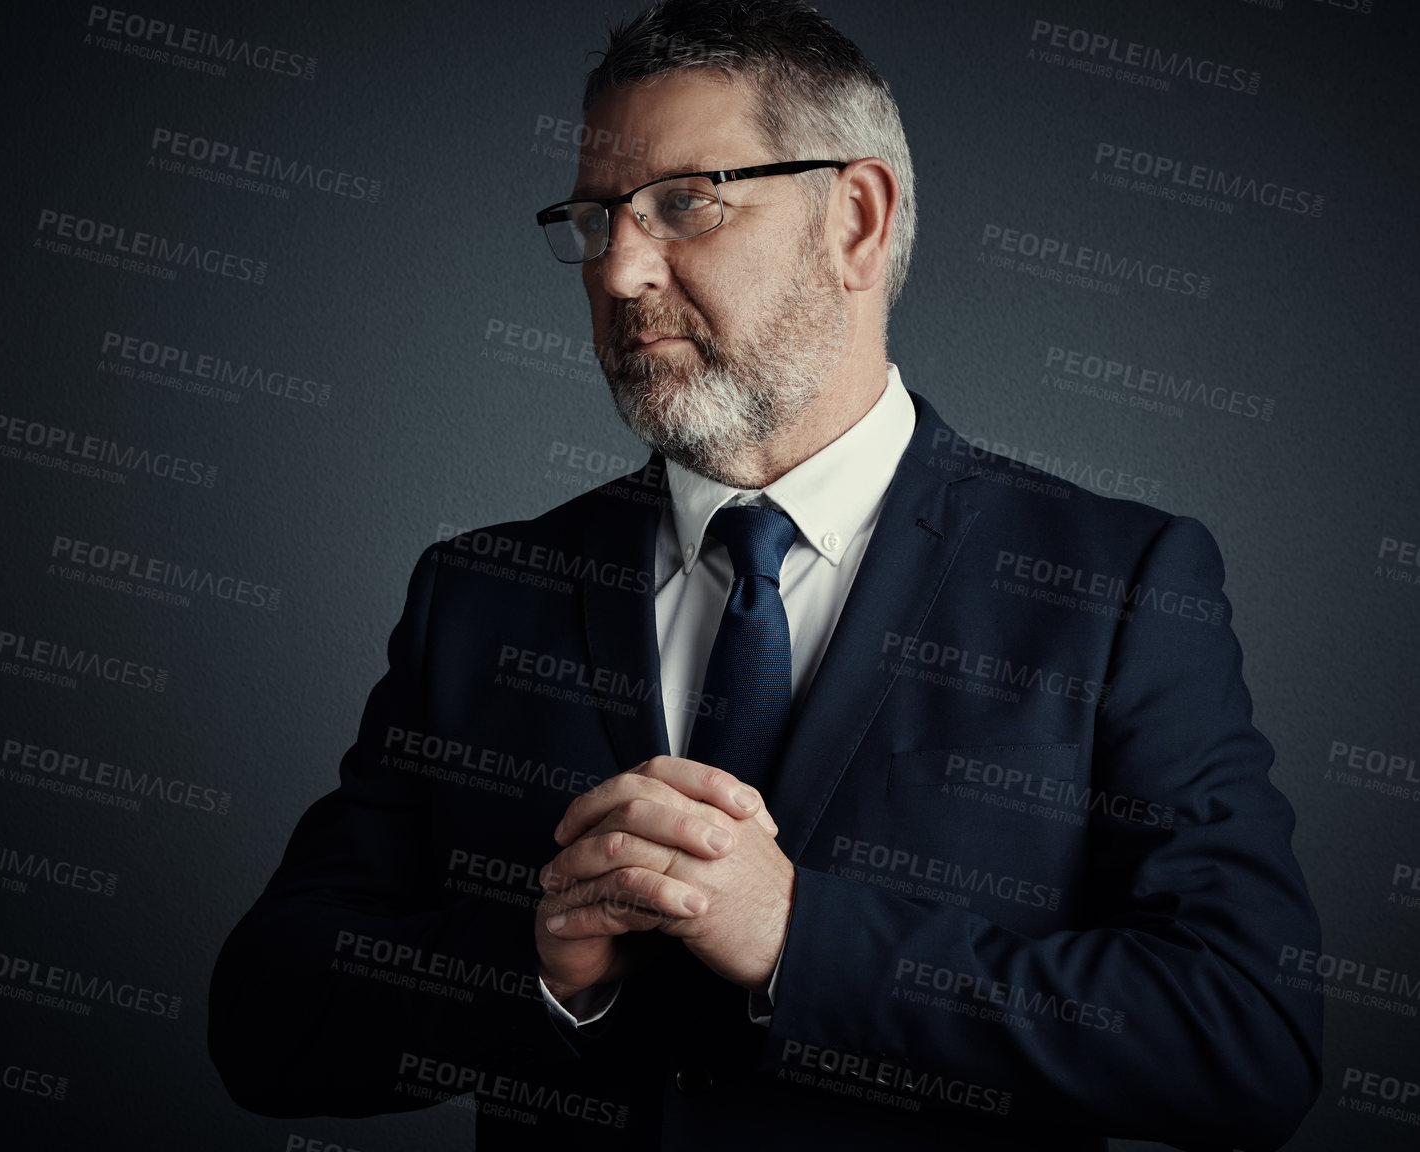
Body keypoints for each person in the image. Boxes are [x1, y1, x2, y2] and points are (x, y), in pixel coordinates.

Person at [209, 3, 1322, 1148]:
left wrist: (799, 935)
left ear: (856, 220)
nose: (623, 270)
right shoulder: (480, 594)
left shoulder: (1120, 584)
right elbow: (264, 1019)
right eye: (596, 221)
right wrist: (540, 966)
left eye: (684, 204)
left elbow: (1245, 1035)